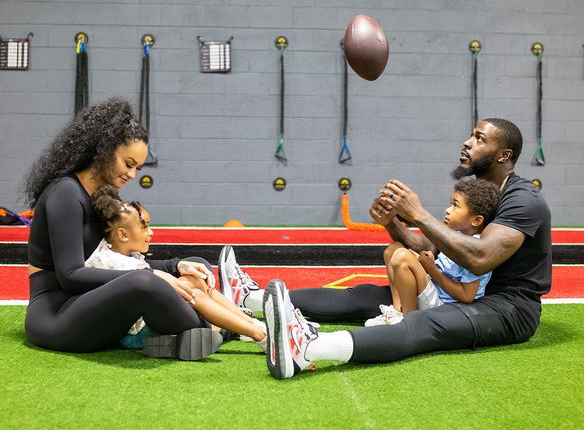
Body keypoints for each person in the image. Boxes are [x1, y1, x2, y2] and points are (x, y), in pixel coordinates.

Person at [220, 118, 552, 379]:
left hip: (507, 308)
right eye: (471, 134)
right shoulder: (478, 193)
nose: (467, 142)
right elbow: (433, 248)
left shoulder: (523, 200)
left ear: (503, 155)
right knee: (362, 296)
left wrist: (419, 213)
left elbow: (480, 259)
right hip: (456, 289)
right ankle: (244, 300)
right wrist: (393, 223)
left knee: (422, 325)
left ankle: (307, 349)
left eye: (480, 138)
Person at [24, 97, 223, 360]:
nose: (132, 175)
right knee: (144, 283)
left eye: (137, 168)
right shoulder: (65, 193)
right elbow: (71, 275)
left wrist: (175, 266)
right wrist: (155, 277)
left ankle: (194, 330)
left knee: (194, 263)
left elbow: (116, 262)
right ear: (104, 150)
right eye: (128, 164)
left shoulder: (101, 195)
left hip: (89, 304)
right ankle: (217, 327)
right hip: (57, 316)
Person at [86, 185, 267, 353]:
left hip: (147, 321)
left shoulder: (114, 250)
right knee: (190, 291)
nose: (151, 232)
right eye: (145, 226)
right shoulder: (116, 262)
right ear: (123, 234)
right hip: (134, 335)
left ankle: (245, 323)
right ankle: (256, 333)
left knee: (194, 281)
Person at [366, 179, 501, 326]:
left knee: (402, 257)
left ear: (476, 220)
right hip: (433, 289)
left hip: (445, 306)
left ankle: (409, 323)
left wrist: (431, 268)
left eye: (455, 206)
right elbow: (421, 243)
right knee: (393, 249)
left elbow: (467, 296)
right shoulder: (452, 233)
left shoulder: (475, 249)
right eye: (450, 204)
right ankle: (397, 312)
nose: (448, 210)